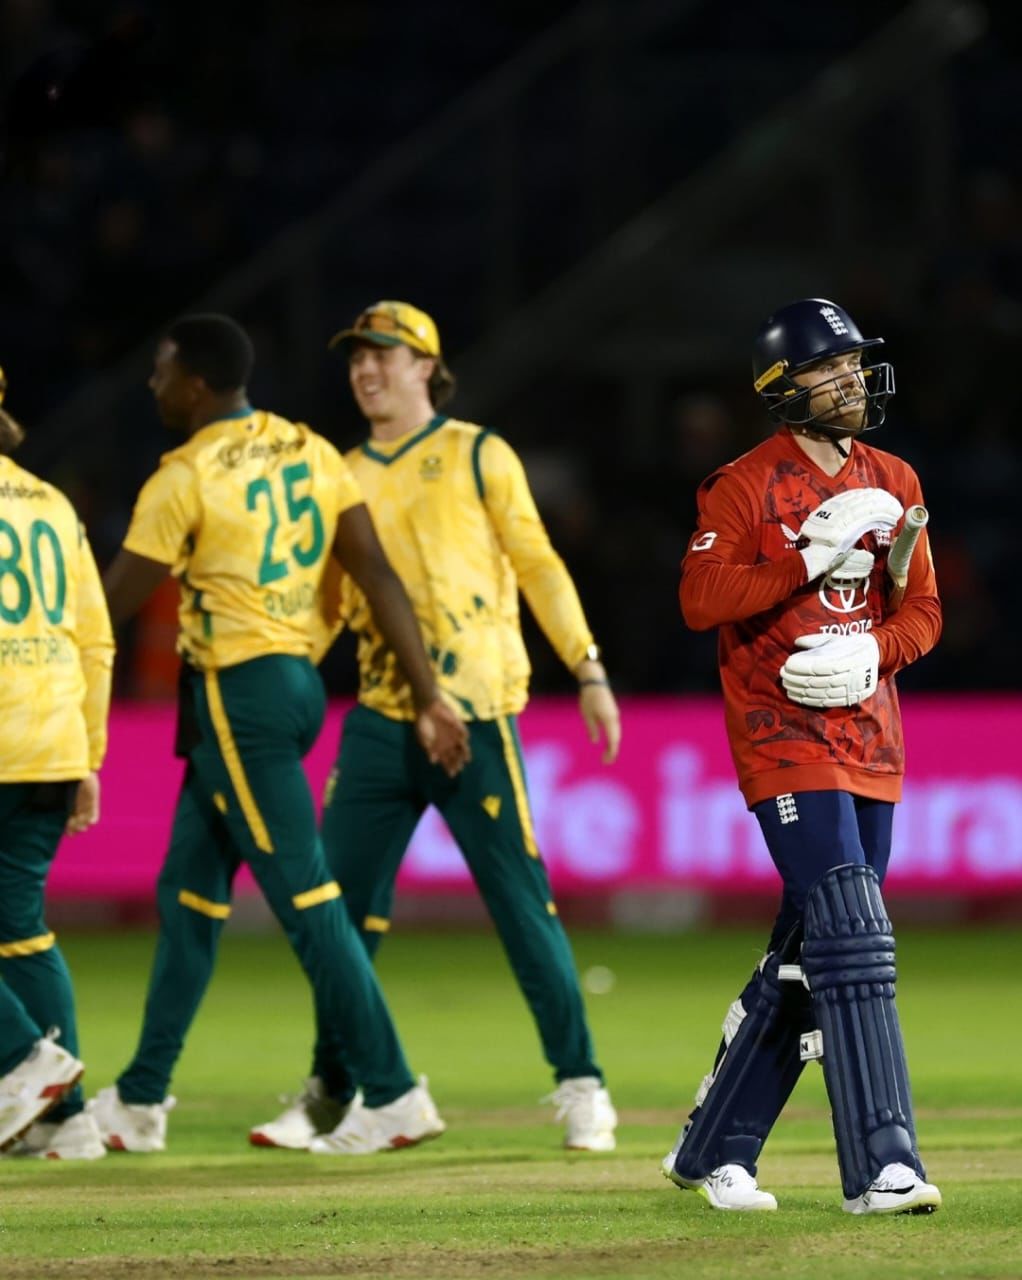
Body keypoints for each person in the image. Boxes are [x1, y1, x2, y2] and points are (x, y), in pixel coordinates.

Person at [86, 314, 470, 1155]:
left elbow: (103, 609)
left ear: (196, 383)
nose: (154, 386)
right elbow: (376, 575)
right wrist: (430, 694)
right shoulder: (311, 450)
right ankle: (141, 1099)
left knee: (306, 898)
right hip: (296, 687)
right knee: (188, 894)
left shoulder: (181, 476)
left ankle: (395, 1091)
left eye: (161, 372)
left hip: (239, 691)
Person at [251, 300, 622, 1155]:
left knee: (521, 908)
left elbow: (537, 563)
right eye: (356, 358)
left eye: (383, 353)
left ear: (427, 365)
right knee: (336, 913)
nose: (366, 369)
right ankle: (332, 1093)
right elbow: (330, 607)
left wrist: (589, 668)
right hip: (382, 720)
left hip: (478, 714)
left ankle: (582, 1086)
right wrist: (271, 671)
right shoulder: (338, 473)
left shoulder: (477, 453)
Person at [660, 298, 944, 1214]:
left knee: (808, 949)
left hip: (871, 737)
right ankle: (882, 1165)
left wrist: (876, 651)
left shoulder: (895, 477)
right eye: (833, 367)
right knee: (855, 939)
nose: (853, 379)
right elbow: (702, 599)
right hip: (781, 736)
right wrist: (806, 561)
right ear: (786, 389)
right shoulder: (744, 485)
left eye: (858, 363)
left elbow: (922, 611)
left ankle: (716, 1149)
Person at [0, 369, 114, 1158]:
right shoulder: (50, 503)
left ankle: (23, 1061)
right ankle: (69, 1120)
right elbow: (95, 639)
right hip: (50, 741)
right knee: (21, 931)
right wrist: (89, 752)